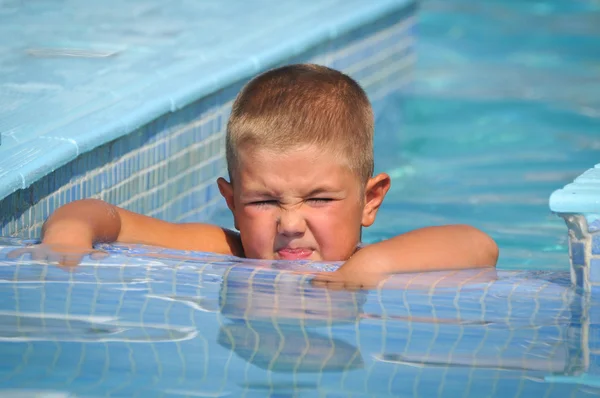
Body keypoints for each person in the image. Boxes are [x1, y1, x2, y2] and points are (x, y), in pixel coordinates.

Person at [10, 64, 499, 289]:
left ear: (370, 201)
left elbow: (478, 245)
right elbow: (106, 217)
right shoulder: (224, 251)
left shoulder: (371, 262)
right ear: (231, 201)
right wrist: (68, 236)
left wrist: (371, 268)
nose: (290, 223)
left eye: (319, 199)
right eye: (264, 202)